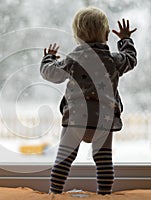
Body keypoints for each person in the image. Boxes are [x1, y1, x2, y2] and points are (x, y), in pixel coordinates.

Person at [40, 7, 137, 195]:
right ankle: (105, 194)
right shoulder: (113, 60)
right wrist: (125, 40)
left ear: (77, 36)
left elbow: (50, 74)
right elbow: (131, 60)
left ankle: (55, 193)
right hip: (103, 121)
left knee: (64, 159)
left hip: (76, 120)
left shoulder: (73, 60)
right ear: (107, 35)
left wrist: (48, 59)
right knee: (103, 161)